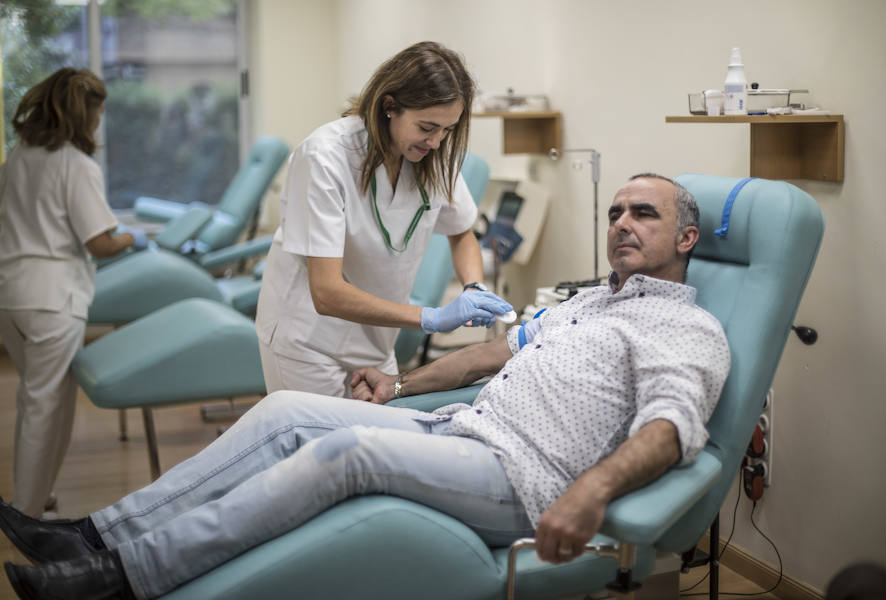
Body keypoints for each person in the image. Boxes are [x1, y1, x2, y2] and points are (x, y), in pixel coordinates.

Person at [0, 174, 730, 600]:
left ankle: (120, 578)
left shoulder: (684, 329)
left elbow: (670, 427)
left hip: (526, 477)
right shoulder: (585, 302)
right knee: (286, 410)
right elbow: (491, 356)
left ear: (687, 240)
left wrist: (591, 492)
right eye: (614, 213)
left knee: (346, 454)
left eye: (644, 214)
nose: (621, 225)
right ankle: (96, 535)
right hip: (460, 431)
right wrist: (398, 382)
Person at [254, 41, 511, 397]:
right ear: (390, 106)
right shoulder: (325, 157)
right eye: (427, 127)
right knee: (318, 450)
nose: (436, 142)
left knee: (374, 449)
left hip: (375, 343)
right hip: (308, 338)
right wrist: (430, 317)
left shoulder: (431, 158)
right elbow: (326, 293)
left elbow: (461, 232)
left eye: (447, 130)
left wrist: (473, 287)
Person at [0, 68, 146, 519]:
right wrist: (132, 239)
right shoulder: (76, 164)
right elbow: (99, 242)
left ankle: (36, 495)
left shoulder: (17, 157)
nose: (99, 124)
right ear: (86, 114)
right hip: (52, 299)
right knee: (48, 405)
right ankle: (26, 515)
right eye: (98, 114)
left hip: (10, 296)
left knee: (35, 397)